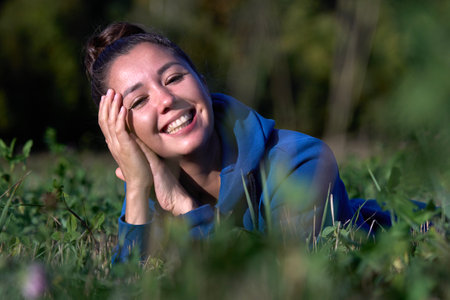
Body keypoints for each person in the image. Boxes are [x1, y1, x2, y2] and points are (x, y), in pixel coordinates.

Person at [84, 22, 391, 263]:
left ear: (201, 81)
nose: (166, 99)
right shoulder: (149, 185)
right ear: (123, 131)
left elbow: (294, 278)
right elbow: (127, 287)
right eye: (139, 101)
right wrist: (137, 191)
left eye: (174, 78)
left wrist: (182, 207)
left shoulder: (300, 161)